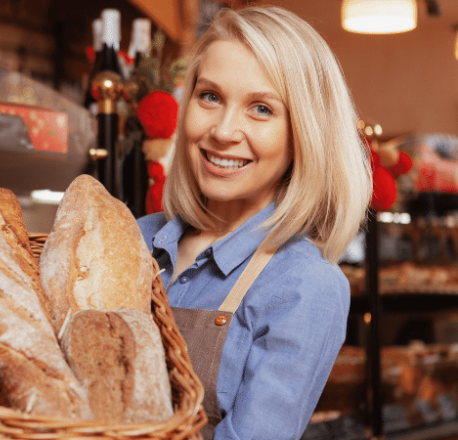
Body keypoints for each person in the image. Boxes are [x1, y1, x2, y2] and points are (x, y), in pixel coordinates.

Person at [136, 6, 372, 440]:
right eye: (210, 97)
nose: (224, 130)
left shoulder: (303, 286)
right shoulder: (134, 238)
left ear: (304, 134)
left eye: (260, 109)